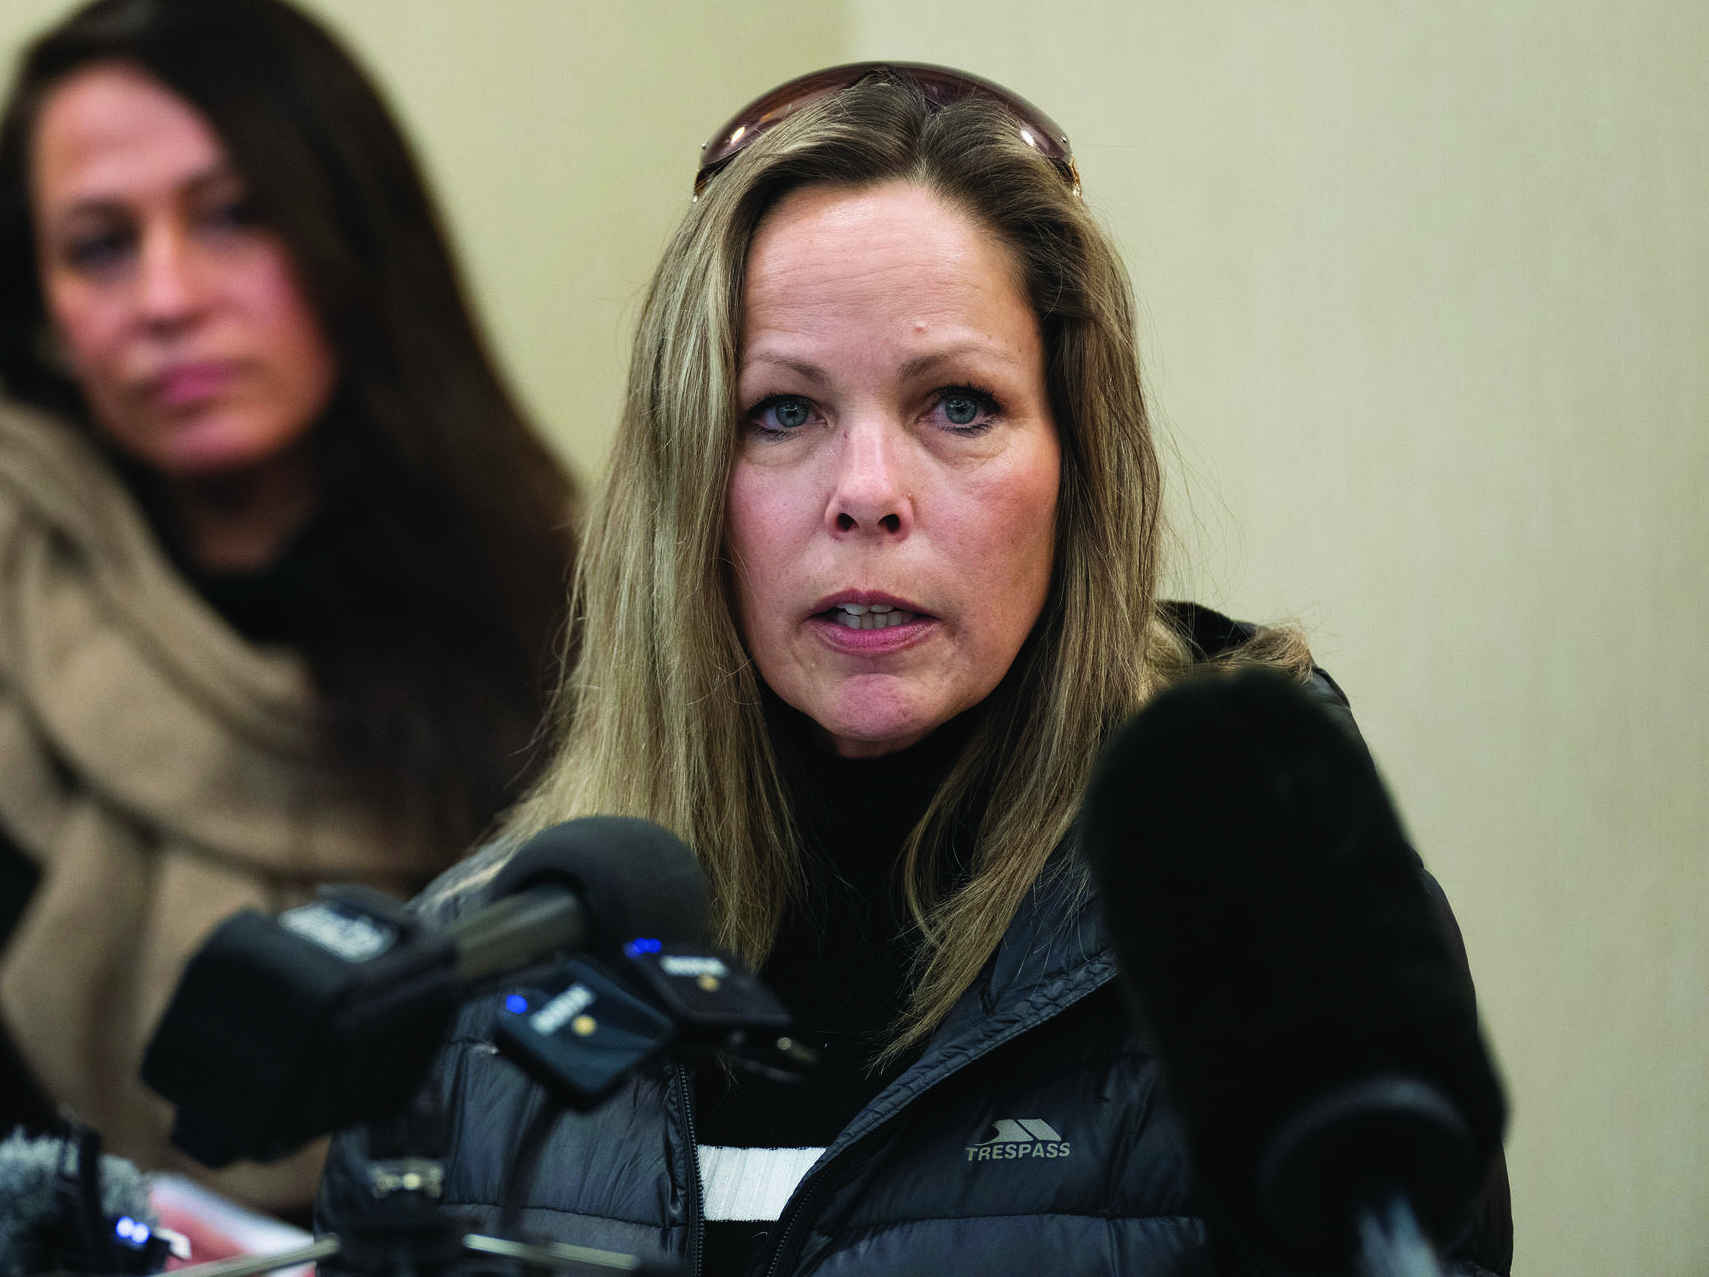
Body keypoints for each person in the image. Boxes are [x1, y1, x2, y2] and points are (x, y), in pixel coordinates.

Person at [314, 65, 1512, 1274]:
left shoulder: (1275, 932)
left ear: (1077, 471)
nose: (868, 494)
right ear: (689, 485)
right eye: (781, 412)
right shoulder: (475, 978)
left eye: (955, 404)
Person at [0, 0, 575, 1276]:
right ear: (39, 313)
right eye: (98, 244)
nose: (165, 295)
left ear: (359, 246)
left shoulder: (560, 641)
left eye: (235, 218)